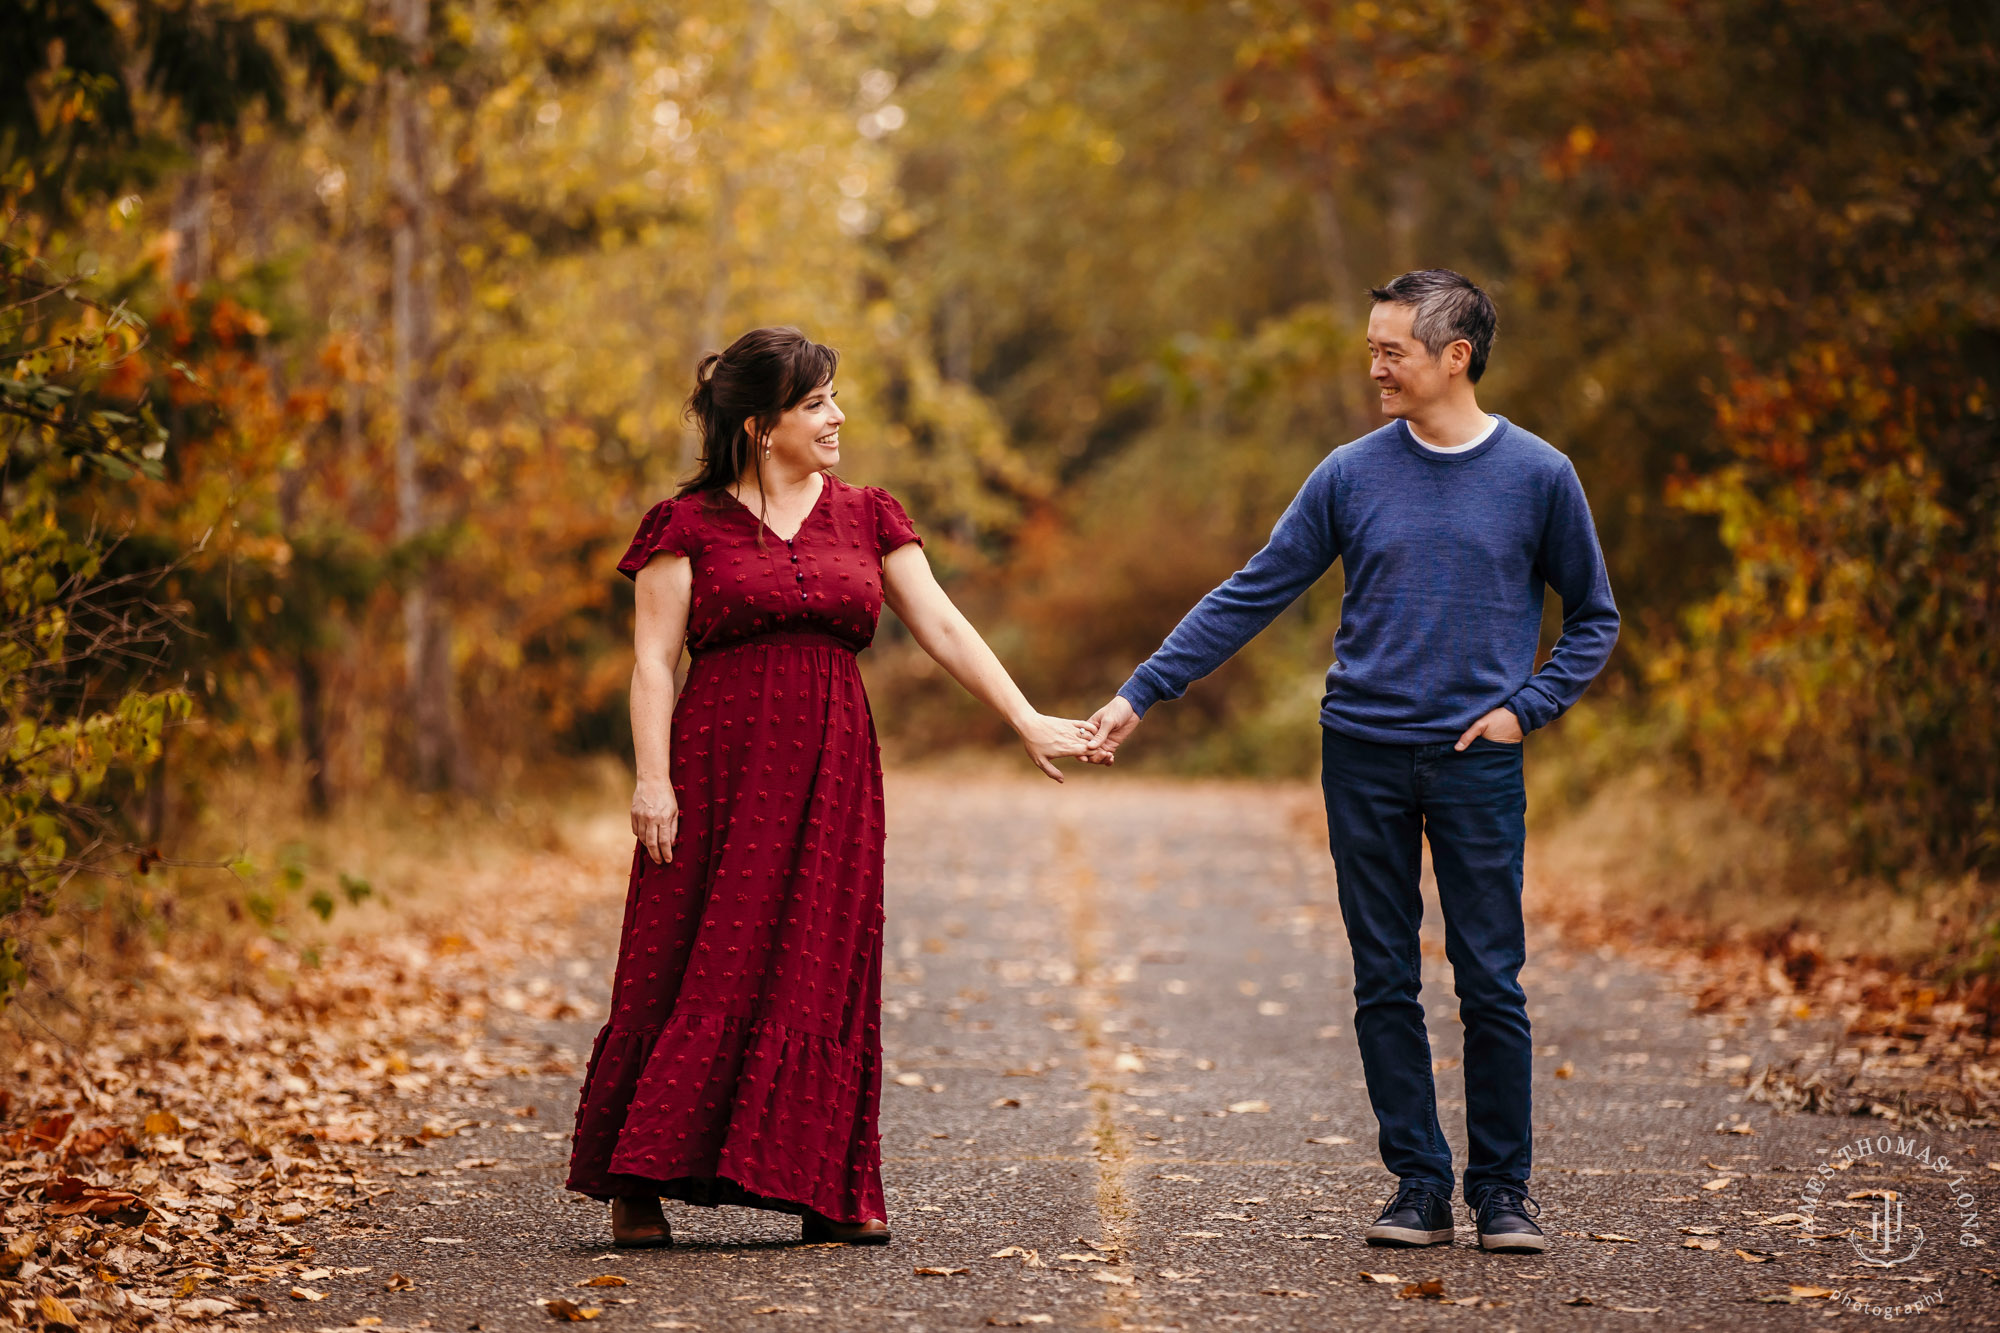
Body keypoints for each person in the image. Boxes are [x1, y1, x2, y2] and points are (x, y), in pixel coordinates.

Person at [1082, 270, 1619, 1254]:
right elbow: (1254, 590)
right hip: (1361, 755)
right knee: (1383, 976)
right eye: (1370, 347)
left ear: (1454, 356)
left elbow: (1593, 617)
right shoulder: (1348, 473)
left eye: (1390, 350)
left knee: (1489, 978)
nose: (1372, 365)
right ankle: (1417, 1183)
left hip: (1474, 764)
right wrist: (1140, 691)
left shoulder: (1539, 475)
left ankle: (1503, 1192)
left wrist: (1524, 711)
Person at [565, 326, 1092, 1246]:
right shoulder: (683, 524)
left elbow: (945, 626)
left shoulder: (869, 513)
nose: (837, 416)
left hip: (833, 771)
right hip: (717, 770)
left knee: (820, 958)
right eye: (817, 403)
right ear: (763, 425)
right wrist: (652, 782)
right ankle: (638, 1177)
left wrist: (1025, 716)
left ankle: (824, 1182)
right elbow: (652, 663)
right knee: (686, 951)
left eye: (833, 397)